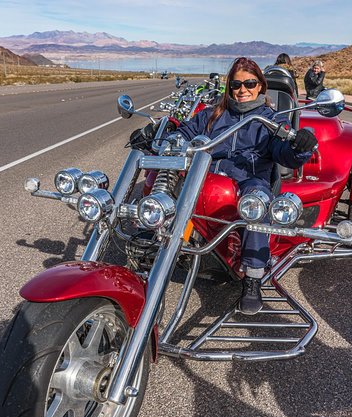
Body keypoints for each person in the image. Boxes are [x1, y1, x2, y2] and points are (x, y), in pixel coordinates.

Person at [133, 57, 317, 315]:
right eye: (236, 84)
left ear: (260, 86)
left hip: (249, 178)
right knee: (169, 178)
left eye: (249, 83)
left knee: (256, 201)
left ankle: (252, 277)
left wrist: (300, 146)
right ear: (229, 87)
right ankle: (154, 236)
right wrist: (165, 136)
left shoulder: (271, 121)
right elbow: (185, 132)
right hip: (207, 175)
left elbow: (284, 151)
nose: (242, 90)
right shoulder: (212, 115)